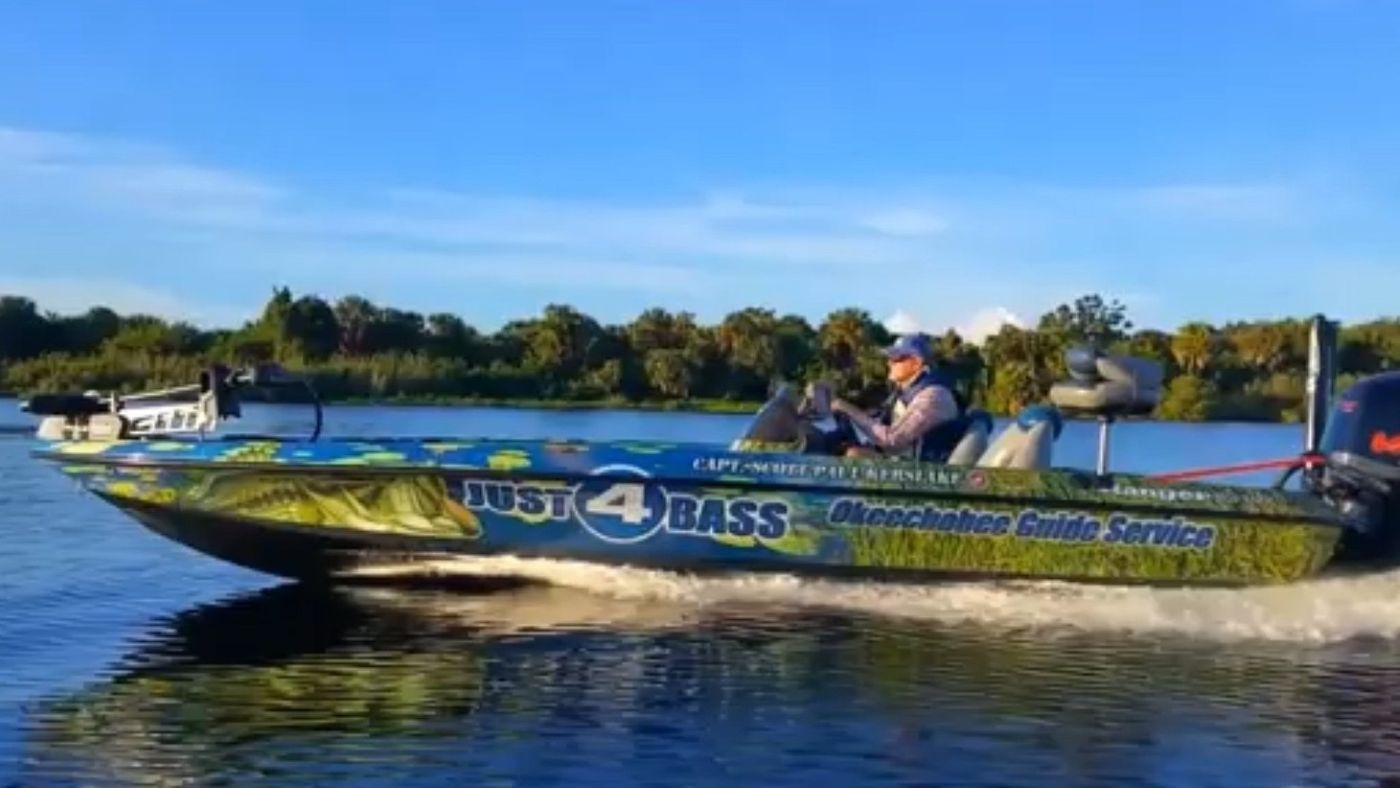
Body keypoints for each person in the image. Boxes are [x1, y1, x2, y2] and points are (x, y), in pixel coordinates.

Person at [830, 333, 963, 460]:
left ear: (916, 363)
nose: (889, 363)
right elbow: (880, 420)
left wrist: (847, 409)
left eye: (896, 358)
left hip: (922, 474)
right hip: (902, 463)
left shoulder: (933, 397)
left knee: (854, 456)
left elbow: (892, 439)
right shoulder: (905, 392)